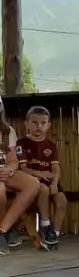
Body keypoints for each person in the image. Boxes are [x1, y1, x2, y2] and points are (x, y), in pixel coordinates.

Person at [0, 97, 44, 254]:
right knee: (0, 191)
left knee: (32, 184)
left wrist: (10, 170)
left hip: (4, 171)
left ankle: (3, 230)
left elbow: (13, 160)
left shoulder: (7, 131)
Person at [18, 105, 67, 237]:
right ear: (26, 124)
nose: (39, 126)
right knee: (43, 189)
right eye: (34, 123)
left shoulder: (51, 145)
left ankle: (54, 234)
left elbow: (56, 168)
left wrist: (54, 184)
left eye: (43, 123)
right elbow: (23, 168)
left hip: (50, 182)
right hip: (33, 183)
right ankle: (45, 224)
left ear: (48, 125)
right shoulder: (21, 143)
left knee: (61, 200)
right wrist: (41, 174)